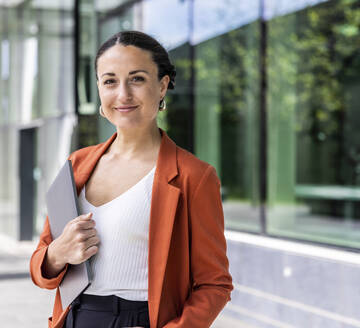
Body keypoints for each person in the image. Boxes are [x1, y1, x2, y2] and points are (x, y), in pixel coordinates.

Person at [30, 30, 233, 328]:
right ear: (99, 87)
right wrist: (56, 254)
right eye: (110, 81)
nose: (123, 95)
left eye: (137, 79)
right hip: (75, 318)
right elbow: (41, 267)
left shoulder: (194, 177)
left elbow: (215, 284)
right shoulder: (77, 164)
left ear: (162, 85)